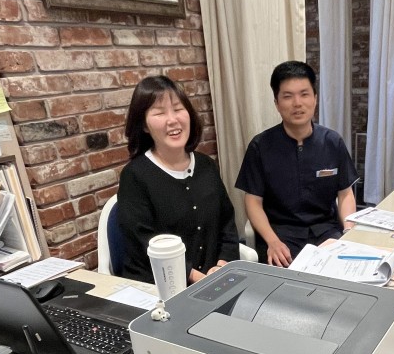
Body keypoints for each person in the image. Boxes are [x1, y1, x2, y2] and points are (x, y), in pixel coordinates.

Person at [117, 76, 240, 284]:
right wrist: (198, 278)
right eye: (160, 113)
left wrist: (221, 267)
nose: (172, 120)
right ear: (144, 125)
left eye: (177, 109)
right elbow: (144, 245)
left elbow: (226, 225)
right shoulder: (135, 176)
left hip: (214, 280)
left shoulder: (206, 165)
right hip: (160, 286)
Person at [235, 61, 358, 266]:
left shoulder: (332, 142)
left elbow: (345, 193)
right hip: (281, 236)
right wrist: (272, 241)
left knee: (346, 270)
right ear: (277, 103)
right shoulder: (260, 146)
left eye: (304, 94)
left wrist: (349, 231)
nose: (297, 103)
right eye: (288, 96)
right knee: (288, 278)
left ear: (315, 98)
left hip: (326, 232)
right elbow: (253, 201)